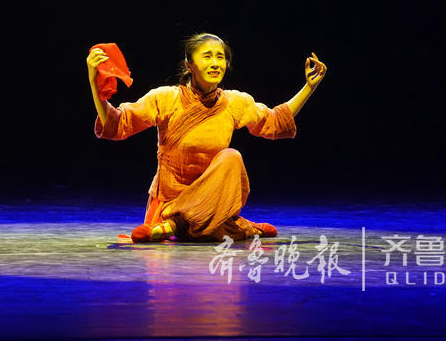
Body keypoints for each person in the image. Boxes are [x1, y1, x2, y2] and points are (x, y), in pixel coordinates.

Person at [87, 33, 327, 242]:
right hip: (171, 207)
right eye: (207, 56)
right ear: (189, 65)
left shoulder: (235, 102)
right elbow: (118, 124)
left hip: (208, 207)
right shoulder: (166, 98)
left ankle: (178, 227)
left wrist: (309, 87)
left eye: (220, 57)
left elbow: (275, 121)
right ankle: (191, 223)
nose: (215, 63)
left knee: (231, 157)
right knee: (224, 227)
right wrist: (94, 83)